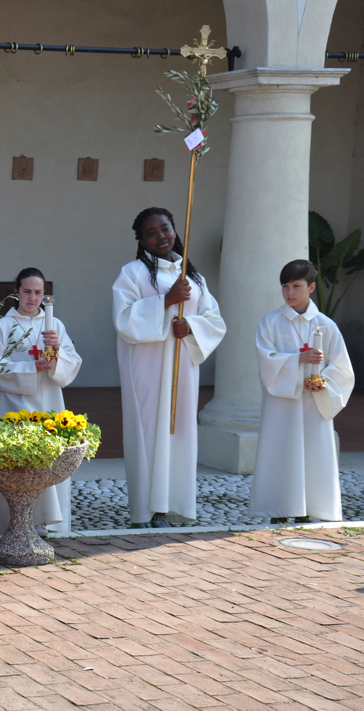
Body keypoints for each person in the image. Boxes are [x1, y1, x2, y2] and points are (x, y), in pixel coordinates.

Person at [113, 207, 226, 528]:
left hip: (182, 369)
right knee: (150, 431)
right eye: (151, 233)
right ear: (141, 240)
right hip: (147, 369)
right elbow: (123, 319)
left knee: (179, 432)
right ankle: (148, 510)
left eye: (165, 228)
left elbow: (214, 319)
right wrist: (166, 300)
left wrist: (190, 326)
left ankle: (175, 505)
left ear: (175, 230)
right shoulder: (132, 273)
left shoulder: (193, 276)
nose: (160, 236)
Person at [250, 260, 354, 524]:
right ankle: (279, 509)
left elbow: (342, 368)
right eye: (285, 287)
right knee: (281, 450)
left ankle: (310, 507)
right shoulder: (270, 322)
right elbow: (266, 362)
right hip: (282, 405)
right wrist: (299, 360)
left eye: (296, 286)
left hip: (313, 403)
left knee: (312, 452)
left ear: (311, 287)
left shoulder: (326, 326)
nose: (290, 293)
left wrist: (323, 383)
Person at [0, 268, 82, 535]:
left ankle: (50, 523)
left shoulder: (55, 326)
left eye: (38, 292)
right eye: (27, 291)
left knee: (50, 459)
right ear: (16, 291)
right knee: (18, 461)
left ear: (44, 294)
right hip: (13, 404)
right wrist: (32, 367)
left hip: (48, 401)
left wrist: (57, 354)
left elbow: (72, 362)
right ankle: (18, 525)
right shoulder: (2, 326)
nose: (32, 298)